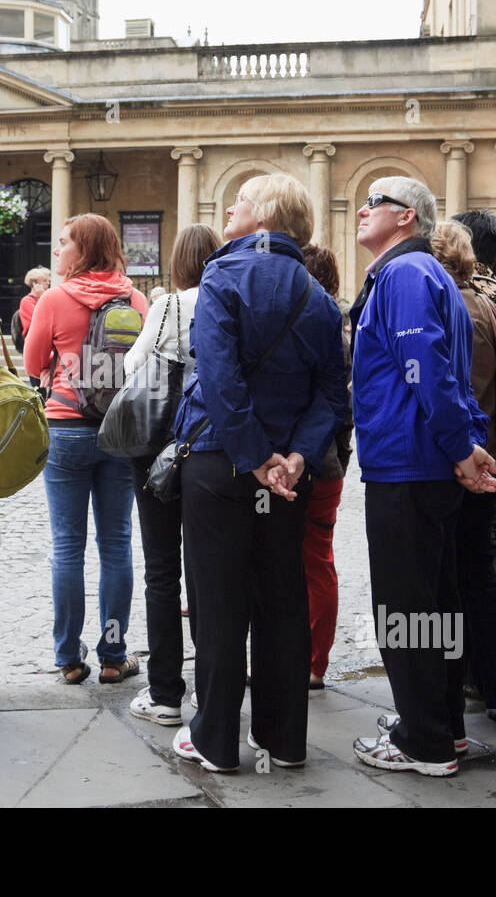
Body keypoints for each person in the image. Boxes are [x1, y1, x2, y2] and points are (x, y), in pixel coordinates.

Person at [171, 175, 346, 773]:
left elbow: (219, 378)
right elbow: (331, 392)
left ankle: (216, 740)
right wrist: (294, 456)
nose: (228, 210)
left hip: (223, 463)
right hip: (289, 479)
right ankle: (283, 740)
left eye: (239, 202)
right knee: (281, 601)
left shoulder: (222, 276)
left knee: (218, 604)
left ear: (264, 216)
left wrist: (254, 456)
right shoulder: (320, 298)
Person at [347, 177, 496, 778]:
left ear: (406, 217)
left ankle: (423, 743)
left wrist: (462, 447)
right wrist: (465, 445)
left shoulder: (406, 274)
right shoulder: (425, 274)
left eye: (374, 203)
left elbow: (426, 371)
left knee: (407, 607)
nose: (362, 210)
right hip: (422, 463)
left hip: (407, 465)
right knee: (438, 601)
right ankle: (441, 726)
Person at [24, 214, 149, 686]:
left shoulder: (54, 299)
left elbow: (34, 361)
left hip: (67, 428)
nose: (57, 252)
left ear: (84, 251)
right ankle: (114, 655)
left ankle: (69, 658)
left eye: (64, 244)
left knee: (67, 547)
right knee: (116, 543)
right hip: (119, 432)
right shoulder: (135, 298)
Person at [124, 223, 219, 726]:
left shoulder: (170, 305)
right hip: (208, 448)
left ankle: (164, 694)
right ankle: (211, 691)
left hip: (158, 447)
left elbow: (133, 367)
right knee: (208, 571)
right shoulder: (226, 301)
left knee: (162, 571)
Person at [431, 221, 496, 733]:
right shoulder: (489, 304)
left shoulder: (442, 305)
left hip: (453, 459)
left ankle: (447, 695)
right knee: (481, 576)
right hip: (488, 453)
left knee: (444, 579)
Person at [300, 244, 353, 690]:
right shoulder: (344, 322)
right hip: (333, 460)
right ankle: (315, 660)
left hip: (314, 462)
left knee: (309, 561)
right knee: (319, 558)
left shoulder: (317, 321)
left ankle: (311, 660)